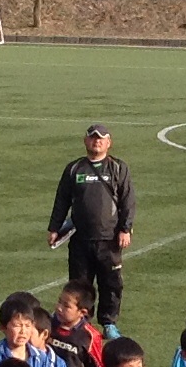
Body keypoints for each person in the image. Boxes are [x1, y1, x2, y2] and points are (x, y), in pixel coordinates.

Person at [49, 125, 135, 335]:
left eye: (101, 138)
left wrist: (125, 229)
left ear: (108, 143)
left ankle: (109, 323)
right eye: (93, 138)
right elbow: (62, 200)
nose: (97, 141)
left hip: (109, 239)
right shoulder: (74, 169)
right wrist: (54, 227)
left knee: (111, 283)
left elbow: (128, 200)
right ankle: (82, 322)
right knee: (79, 284)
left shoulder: (118, 168)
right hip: (80, 239)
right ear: (85, 141)